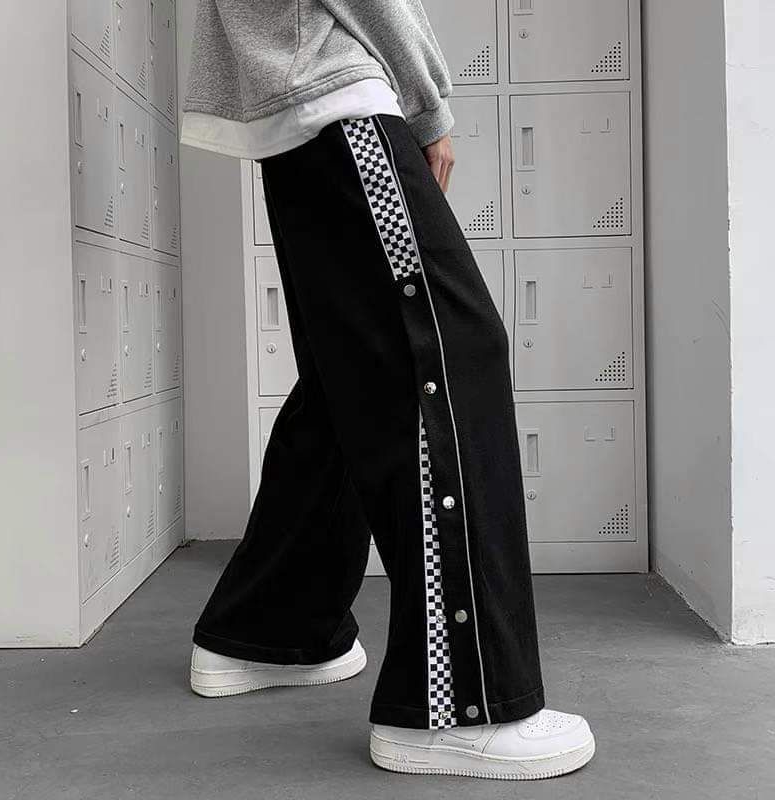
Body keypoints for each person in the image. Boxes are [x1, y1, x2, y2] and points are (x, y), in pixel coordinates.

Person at [181, 0, 595, 781]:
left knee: (349, 378)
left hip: (301, 108)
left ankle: (270, 629)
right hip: (340, 99)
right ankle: (459, 707)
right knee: (453, 352)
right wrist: (425, 101)